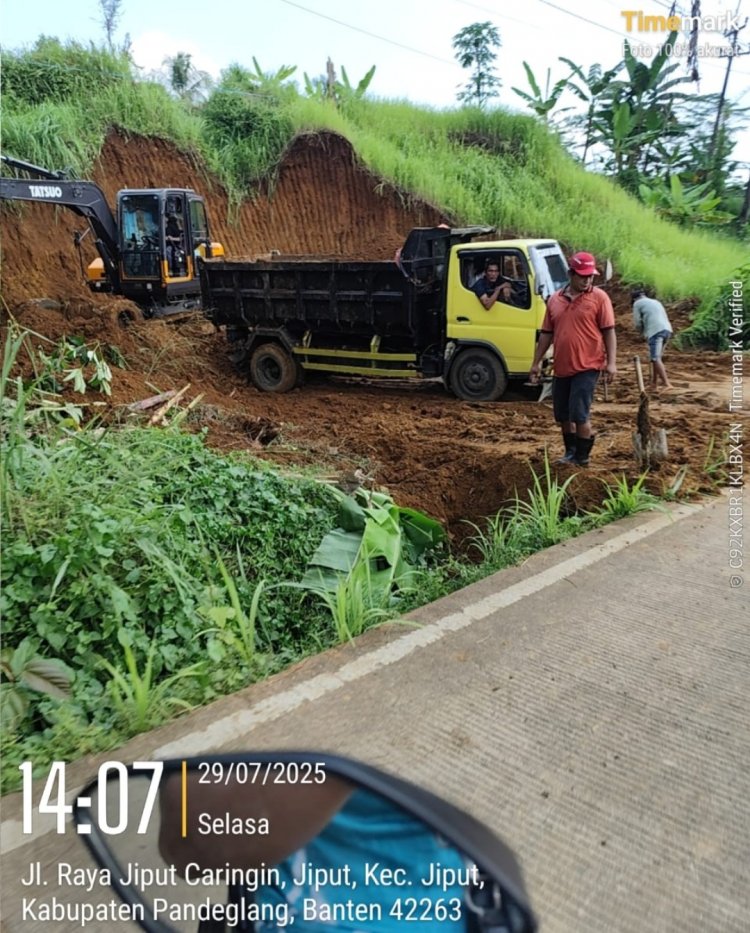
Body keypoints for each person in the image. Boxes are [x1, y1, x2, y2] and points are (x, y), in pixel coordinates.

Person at [528, 251, 617, 467]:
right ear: (571, 274)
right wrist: (536, 362)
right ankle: (570, 453)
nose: (587, 280)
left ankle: (582, 458)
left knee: (579, 413)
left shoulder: (599, 298)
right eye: (583, 276)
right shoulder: (555, 300)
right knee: (563, 415)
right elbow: (546, 334)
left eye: (590, 276)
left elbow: (609, 331)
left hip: (588, 365)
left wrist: (611, 363)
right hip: (561, 367)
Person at [631, 287, 673, 389]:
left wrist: (642, 333)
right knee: (656, 358)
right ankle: (654, 383)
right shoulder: (655, 302)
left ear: (634, 298)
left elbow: (637, 322)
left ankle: (666, 383)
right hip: (667, 330)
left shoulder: (637, 303)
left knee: (655, 358)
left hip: (655, 331)